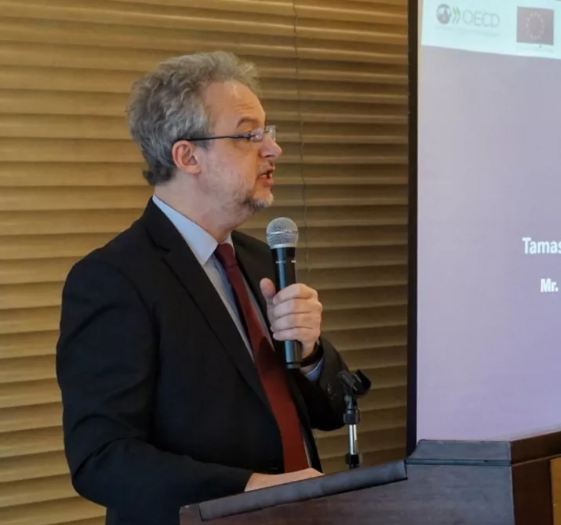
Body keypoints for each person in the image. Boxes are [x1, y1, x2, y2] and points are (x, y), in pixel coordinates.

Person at [55, 51, 350, 525]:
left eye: (268, 132)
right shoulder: (113, 279)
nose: (273, 149)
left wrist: (312, 355)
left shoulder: (261, 259)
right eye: (250, 135)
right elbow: (102, 458)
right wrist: (248, 489)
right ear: (187, 156)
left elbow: (332, 412)